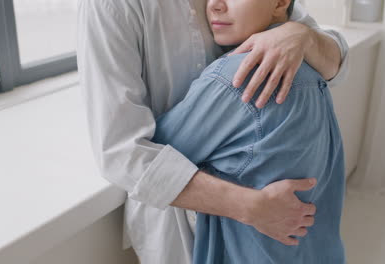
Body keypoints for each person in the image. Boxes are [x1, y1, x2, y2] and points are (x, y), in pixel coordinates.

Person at [76, 0, 349, 263]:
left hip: (262, 228)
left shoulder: (238, 79)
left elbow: (334, 60)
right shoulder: (111, 5)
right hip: (179, 219)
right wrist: (252, 207)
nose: (215, 6)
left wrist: (302, 35)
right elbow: (122, 153)